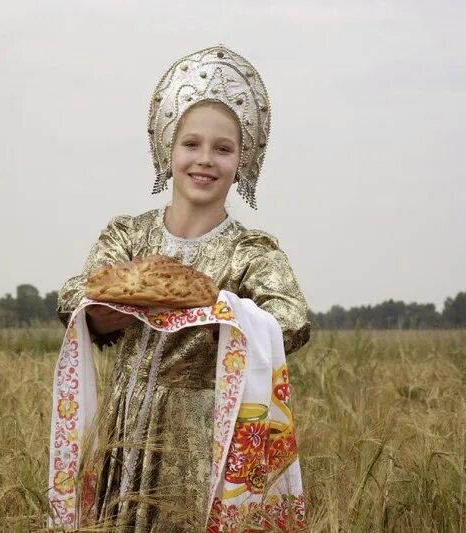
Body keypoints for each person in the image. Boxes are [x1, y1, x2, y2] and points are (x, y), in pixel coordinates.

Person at [55, 45, 311, 531]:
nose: (205, 160)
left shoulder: (251, 251)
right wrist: (97, 315)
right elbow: (75, 293)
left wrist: (222, 319)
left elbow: (292, 319)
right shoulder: (128, 237)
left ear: (244, 161)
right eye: (191, 144)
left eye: (223, 148)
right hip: (125, 428)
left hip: (206, 436)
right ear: (167, 149)